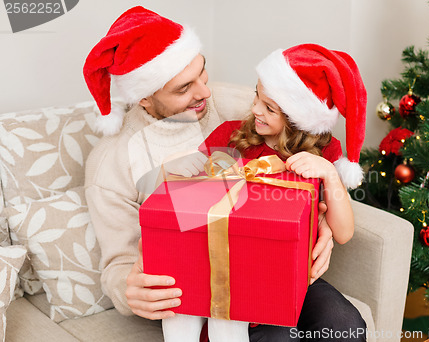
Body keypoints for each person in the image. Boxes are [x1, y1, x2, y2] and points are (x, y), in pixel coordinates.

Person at [83, 6, 350, 342]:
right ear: (145, 99)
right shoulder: (111, 163)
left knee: (344, 323)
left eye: (203, 73)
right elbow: (118, 264)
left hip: (271, 263)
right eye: (183, 88)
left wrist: (320, 220)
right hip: (195, 288)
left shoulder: (236, 105)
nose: (205, 92)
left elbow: (309, 144)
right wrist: (130, 289)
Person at [165, 43, 367, 342]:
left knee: (347, 325)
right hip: (237, 275)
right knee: (280, 337)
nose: (256, 109)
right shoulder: (230, 137)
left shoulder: (325, 151)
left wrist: (329, 174)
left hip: (297, 277)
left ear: (300, 119)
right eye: (256, 96)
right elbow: (191, 201)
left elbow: (344, 233)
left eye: (269, 107)